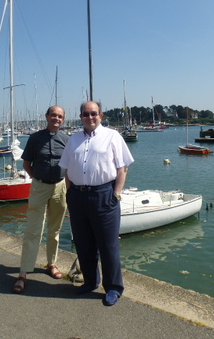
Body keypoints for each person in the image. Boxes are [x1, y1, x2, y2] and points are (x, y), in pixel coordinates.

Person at [59, 101, 134, 306]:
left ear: (101, 115)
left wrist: (116, 194)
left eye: (93, 114)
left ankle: (113, 288)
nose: (89, 117)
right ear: (81, 116)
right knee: (84, 244)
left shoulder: (112, 137)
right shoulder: (73, 139)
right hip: (78, 195)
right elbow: (67, 169)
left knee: (108, 246)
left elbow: (122, 168)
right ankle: (91, 281)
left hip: (103, 194)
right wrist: (69, 193)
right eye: (85, 114)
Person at [12, 106, 69, 294]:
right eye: (54, 115)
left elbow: (70, 165)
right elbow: (27, 163)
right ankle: (23, 272)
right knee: (33, 230)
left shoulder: (66, 140)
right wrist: (37, 178)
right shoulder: (35, 138)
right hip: (39, 186)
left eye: (60, 116)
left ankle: (51, 264)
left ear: (63, 119)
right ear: (47, 116)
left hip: (60, 187)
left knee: (55, 229)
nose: (56, 118)